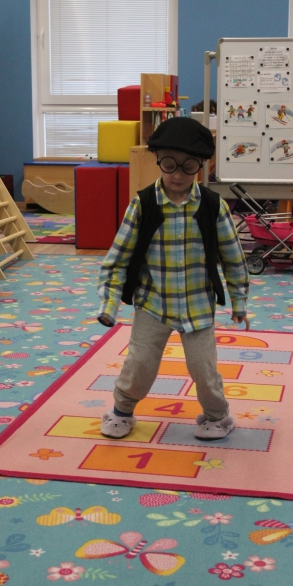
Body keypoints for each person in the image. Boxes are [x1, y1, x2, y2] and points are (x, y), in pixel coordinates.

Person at [97, 117, 249, 441]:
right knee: (139, 364)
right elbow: (117, 259)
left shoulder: (213, 206)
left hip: (198, 305)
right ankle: (121, 411)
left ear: (201, 166)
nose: (178, 174)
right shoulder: (143, 205)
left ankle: (217, 416)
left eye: (188, 166)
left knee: (204, 369)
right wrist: (109, 304)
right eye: (169, 164)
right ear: (157, 160)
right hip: (153, 303)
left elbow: (233, 259)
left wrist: (239, 301)